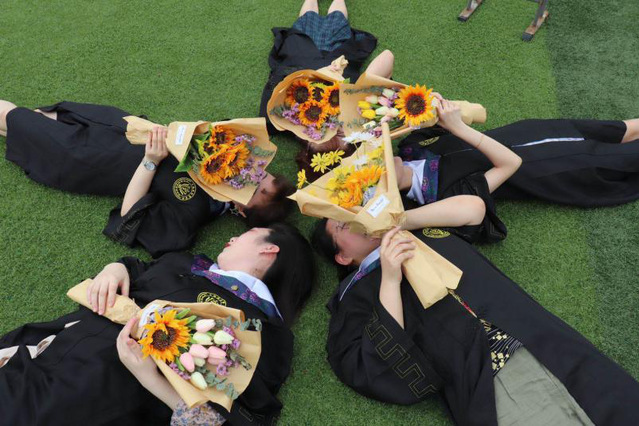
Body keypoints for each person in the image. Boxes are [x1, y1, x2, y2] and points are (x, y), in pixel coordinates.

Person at [313, 221, 639, 425]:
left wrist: (401, 220)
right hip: (497, 379)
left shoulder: (422, 232)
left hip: (548, 343)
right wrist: (389, 278)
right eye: (341, 226)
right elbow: (368, 363)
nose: (352, 221)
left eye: (352, 212)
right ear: (342, 257)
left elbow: (473, 208)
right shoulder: (355, 293)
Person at [0, 223, 315, 425]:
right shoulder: (187, 263)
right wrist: (114, 269)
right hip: (52, 347)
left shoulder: (268, 333)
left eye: (247, 233)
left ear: (268, 249)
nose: (232, 237)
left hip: (103, 393)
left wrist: (149, 377)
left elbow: (229, 421)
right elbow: (135, 268)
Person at [0, 100, 296, 257]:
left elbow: (128, 216)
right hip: (118, 127)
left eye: (254, 189)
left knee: (14, 118)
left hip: (87, 158)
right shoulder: (228, 156)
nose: (250, 175)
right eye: (261, 174)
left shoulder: (193, 213)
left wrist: (150, 161)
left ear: (241, 210)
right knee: (35, 117)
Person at [398, 110, 639, 243]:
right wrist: (459, 128)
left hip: (534, 132)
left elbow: (387, 60)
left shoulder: (411, 146)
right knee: (623, 156)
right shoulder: (442, 194)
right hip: (553, 167)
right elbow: (510, 163)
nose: (382, 161)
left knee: (616, 129)